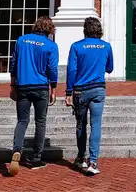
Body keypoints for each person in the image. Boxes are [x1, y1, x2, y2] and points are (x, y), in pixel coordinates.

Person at [8, 15, 58, 176]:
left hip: (23, 85)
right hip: (41, 87)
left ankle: (17, 149)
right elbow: (52, 69)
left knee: (22, 120)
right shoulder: (50, 45)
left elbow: (14, 63)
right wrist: (54, 89)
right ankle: (36, 157)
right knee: (40, 122)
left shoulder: (22, 40)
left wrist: (12, 85)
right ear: (49, 29)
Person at [65, 16, 113, 177]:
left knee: (81, 124)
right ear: (99, 30)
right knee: (96, 125)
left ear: (85, 30)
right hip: (98, 89)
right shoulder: (106, 46)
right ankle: (93, 161)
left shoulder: (76, 46)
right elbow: (110, 68)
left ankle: (81, 157)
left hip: (80, 90)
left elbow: (71, 71)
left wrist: (68, 92)